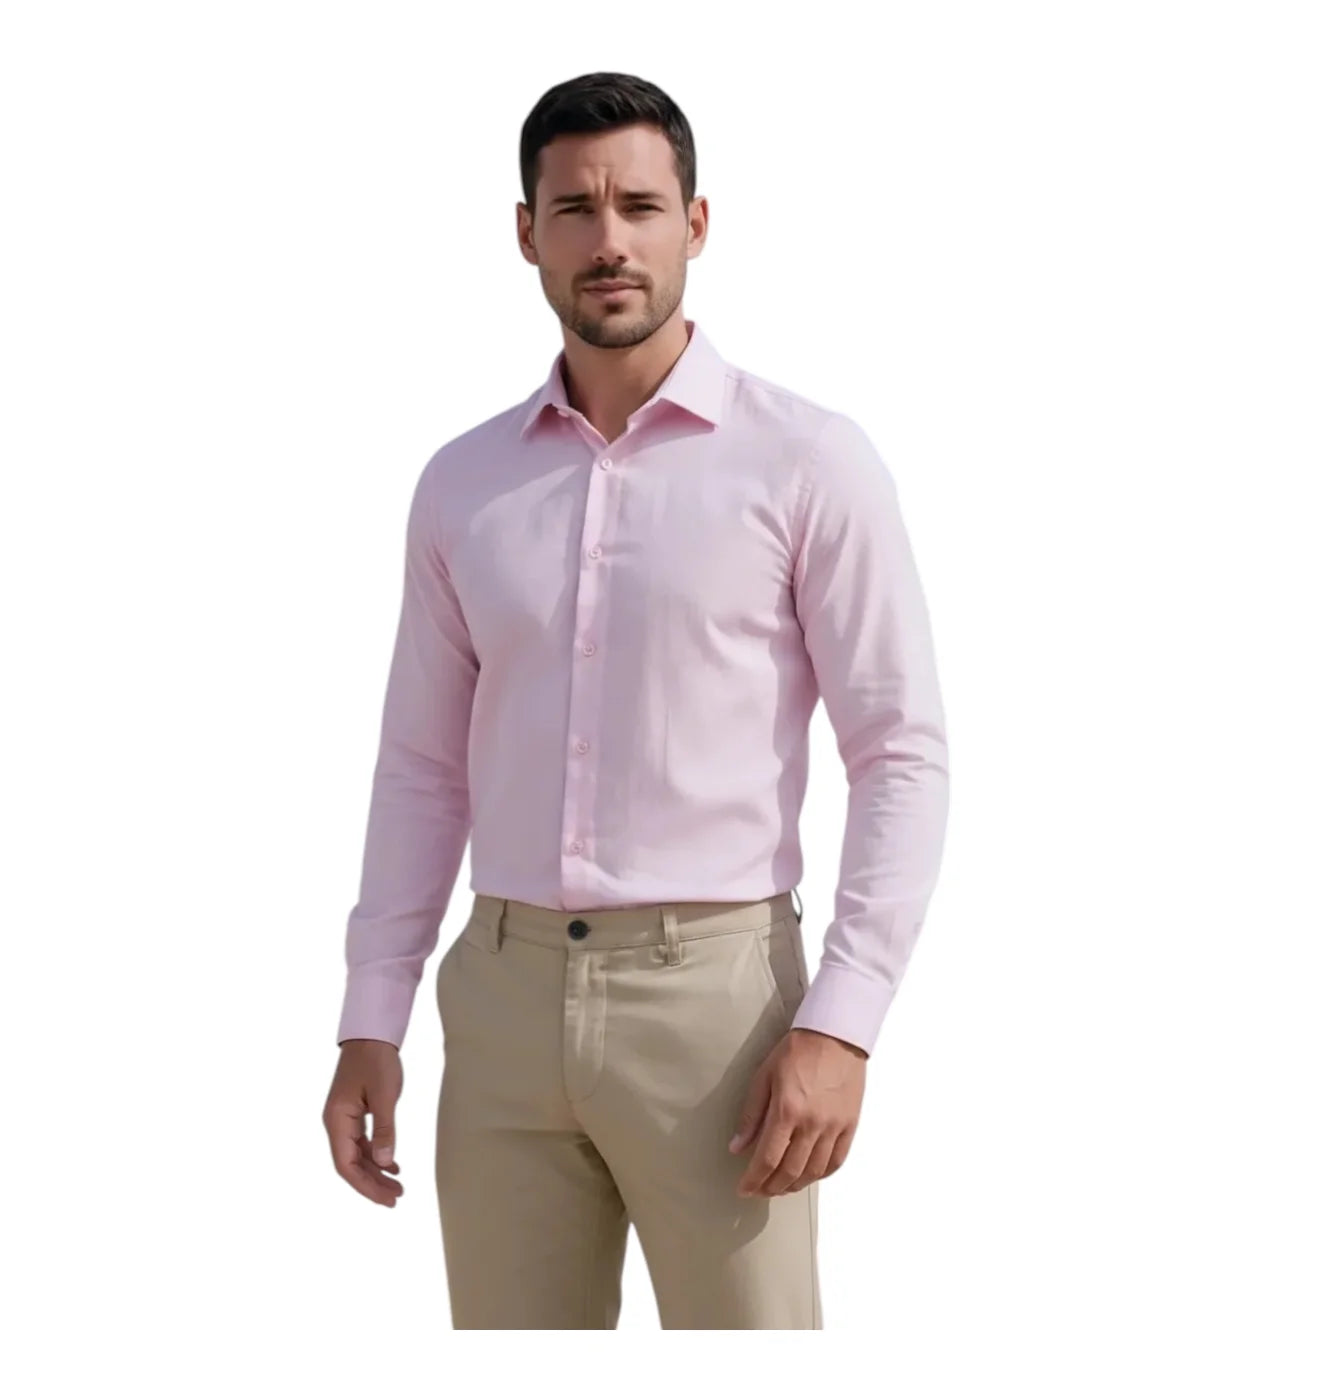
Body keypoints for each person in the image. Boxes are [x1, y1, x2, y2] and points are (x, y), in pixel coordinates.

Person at [321, 69, 950, 1330]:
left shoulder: (806, 460)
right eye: (574, 208)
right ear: (526, 233)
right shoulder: (462, 484)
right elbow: (422, 768)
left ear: (694, 224)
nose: (608, 239)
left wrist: (842, 1022)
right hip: (500, 1003)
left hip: (718, 1007)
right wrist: (369, 1016)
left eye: (640, 206)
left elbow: (900, 751)